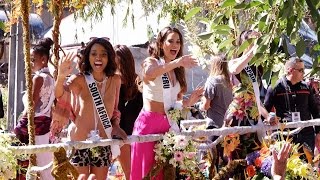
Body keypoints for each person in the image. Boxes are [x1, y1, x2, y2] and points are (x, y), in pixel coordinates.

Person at [130, 26, 204, 180]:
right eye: (170, 41)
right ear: (161, 43)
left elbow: (175, 102)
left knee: (166, 173)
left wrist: (189, 101)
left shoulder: (176, 70)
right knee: (146, 173)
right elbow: (150, 74)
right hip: (149, 124)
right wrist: (177, 62)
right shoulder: (152, 62)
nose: (175, 45)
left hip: (167, 126)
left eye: (178, 42)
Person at [54, 38, 127, 180]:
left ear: (109, 57)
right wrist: (61, 76)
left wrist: (116, 126)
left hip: (103, 142)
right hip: (79, 142)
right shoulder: (79, 79)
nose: (98, 58)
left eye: (103, 54)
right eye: (93, 54)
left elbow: (115, 110)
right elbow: (60, 95)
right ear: (88, 57)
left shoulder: (116, 80)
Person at [14, 38, 55, 179]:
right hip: (45, 125)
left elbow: (32, 104)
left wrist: (21, 121)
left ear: (43, 59)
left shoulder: (39, 78)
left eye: (33, 60)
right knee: (44, 160)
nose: (30, 64)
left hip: (34, 124)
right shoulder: (51, 78)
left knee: (26, 158)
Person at [264, 57, 320, 158]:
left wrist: (318, 132)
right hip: (285, 136)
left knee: (308, 168)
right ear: (290, 70)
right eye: (301, 70)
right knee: (288, 168)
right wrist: (269, 118)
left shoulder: (306, 87)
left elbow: (315, 111)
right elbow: (265, 109)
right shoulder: (276, 87)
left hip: (306, 135)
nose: (304, 73)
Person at [114, 44, 143, 179]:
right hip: (124, 134)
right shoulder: (113, 83)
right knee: (131, 173)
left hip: (133, 134)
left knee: (134, 173)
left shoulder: (137, 82)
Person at [199, 54, 233, 128]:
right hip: (228, 123)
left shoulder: (212, 80)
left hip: (215, 123)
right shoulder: (229, 81)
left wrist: (199, 106)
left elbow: (206, 106)